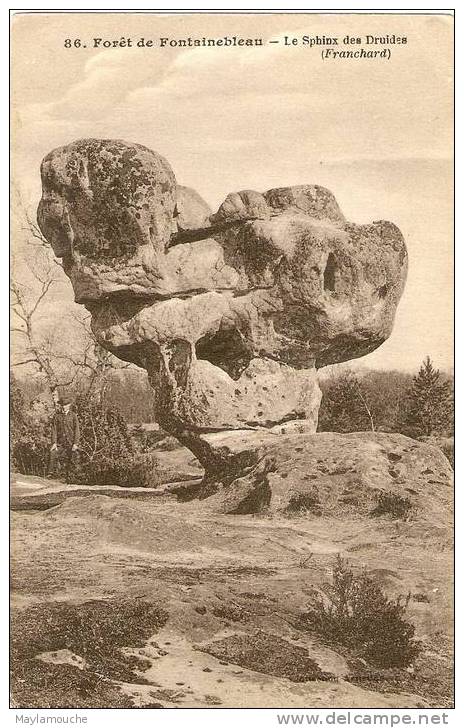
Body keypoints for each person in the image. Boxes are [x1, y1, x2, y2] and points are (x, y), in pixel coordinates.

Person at [48, 391, 80, 482]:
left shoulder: (73, 416)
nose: (64, 406)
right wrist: (54, 443)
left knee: (74, 458)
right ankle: (51, 474)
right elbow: (54, 430)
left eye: (66, 405)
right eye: (62, 405)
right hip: (60, 442)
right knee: (53, 453)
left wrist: (75, 443)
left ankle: (74, 478)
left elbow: (77, 430)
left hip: (71, 442)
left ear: (69, 405)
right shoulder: (57, 416)